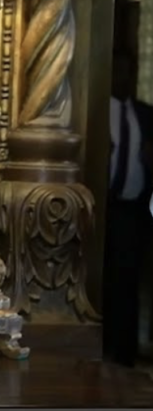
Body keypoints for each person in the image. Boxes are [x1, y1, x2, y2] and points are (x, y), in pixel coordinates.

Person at [104, 47, 153, 366]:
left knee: (129, 280)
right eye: (117, 72)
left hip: (134, 210)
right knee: (106, 280)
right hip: (104, 208)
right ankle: (104, 348)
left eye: (127, 72)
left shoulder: (145, 114)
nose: (123, 78)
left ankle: (126, 353)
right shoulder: (97, 111)